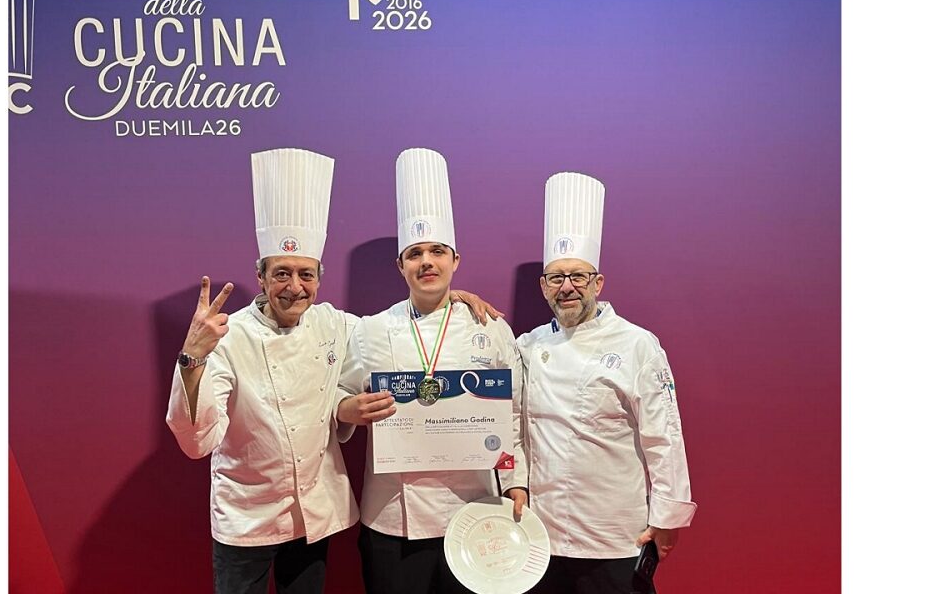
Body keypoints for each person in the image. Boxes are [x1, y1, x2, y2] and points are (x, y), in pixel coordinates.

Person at [167, 148, 501, 594]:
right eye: (281, 273)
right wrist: (192, 357)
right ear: (261, 276)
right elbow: (197, 441)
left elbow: (401, 327)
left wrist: (444, 295)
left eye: (306, 274)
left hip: (312, 515)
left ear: (319, 278)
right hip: (246, 515)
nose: (294, 286)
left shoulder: (335, 324)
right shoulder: (228, 336)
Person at [335, 148, 529, 594]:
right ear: (400, 265)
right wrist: (351, 409)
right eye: (415, 253)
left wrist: (517, 482)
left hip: (475, 509)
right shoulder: (371, 330)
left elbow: (514, 413)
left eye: (438, 251)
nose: (427, 261)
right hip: (392, 515)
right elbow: (339, 398)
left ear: (455, 260)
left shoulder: (491, 326)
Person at [518, 172, 697, 594]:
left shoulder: (637, 344)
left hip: (614, 533)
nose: (567, 288)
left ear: (598, 283)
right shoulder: (527, 345)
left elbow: (664, 436)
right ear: (543, 287)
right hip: (541, 534)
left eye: (578, 277)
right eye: (557, 278)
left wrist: (666, 517)